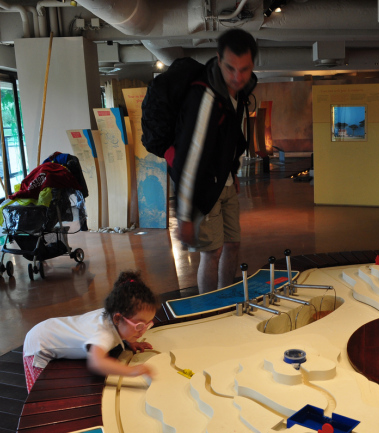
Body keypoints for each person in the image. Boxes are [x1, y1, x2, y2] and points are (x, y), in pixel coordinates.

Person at [170, 29, 258, 294]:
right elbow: (188, 157)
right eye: (230, 68)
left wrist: (233, 172)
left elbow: (231, 138)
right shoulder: (205, 98)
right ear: (218, 60)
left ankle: (226, 300)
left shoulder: (239, 93)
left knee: (232, 245)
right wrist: (184, 215)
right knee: (212, 251)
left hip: (226, 183)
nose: (237, 77)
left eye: (244, 69)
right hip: (205, 189)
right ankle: (209, 312)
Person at [22, 271, 157, 392]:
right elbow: (97, 363)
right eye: (139, 326)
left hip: (49, 329)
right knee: (40, 392)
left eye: (147, 324)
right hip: (38, 345)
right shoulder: (103, 334)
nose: (143, 331)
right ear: (118, 318)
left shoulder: (112, 315)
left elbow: (123, 327)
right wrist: (132, 371)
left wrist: (130, 340)